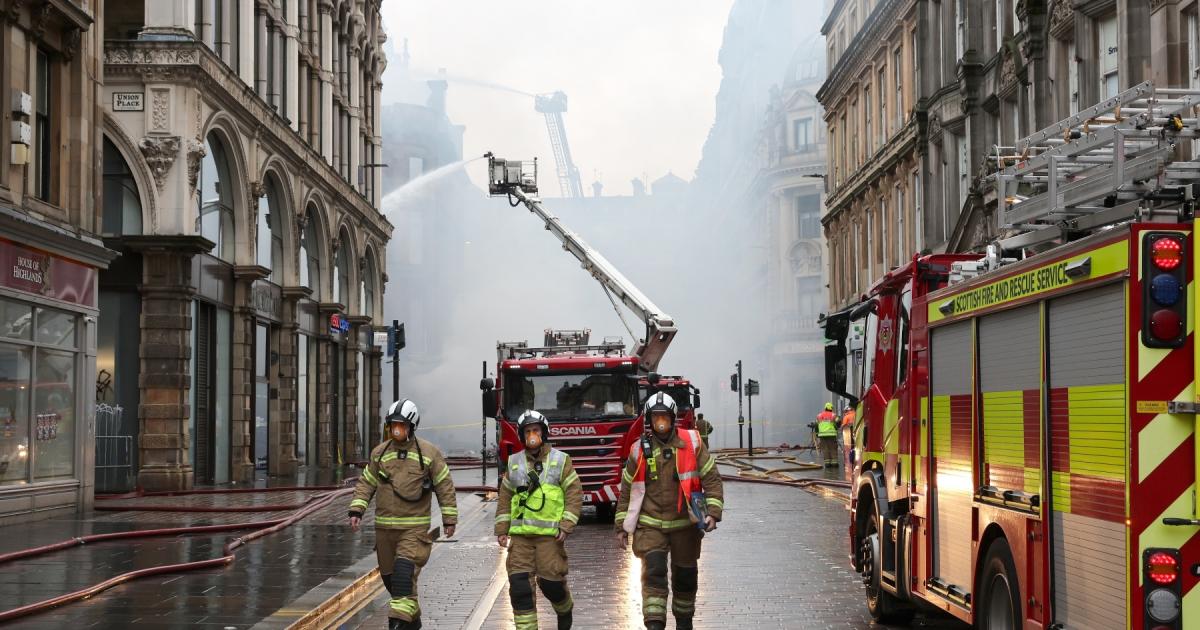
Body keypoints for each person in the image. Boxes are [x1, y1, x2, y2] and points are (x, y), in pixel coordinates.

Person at [615, 392, 724, 630]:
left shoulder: (693, 443)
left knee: (685, 577)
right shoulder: (638, 451)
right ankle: (654, 624)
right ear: (649, 420)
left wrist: (713, 513)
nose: (660, 421)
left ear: (673, 417)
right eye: (656, 417)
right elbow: (626, 490)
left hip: (685, 524)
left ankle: (684, 623)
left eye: (664, 416)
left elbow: (712, 479)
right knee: (653, 573)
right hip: (650, 524)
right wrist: (621, 526)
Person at [347, 399, 458, 630]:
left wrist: (449, 519)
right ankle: (412, 622)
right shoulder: (380, 453)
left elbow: (444, 485)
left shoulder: (428, 454)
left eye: (401, 424)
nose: (396, 429)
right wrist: (357, 509)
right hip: (384, 532)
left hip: (413, 532)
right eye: (393, 424)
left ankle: (397, 625)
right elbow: (366, 483)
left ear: (411, 426)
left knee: (402, 577)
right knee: (394, 584)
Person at [495, 410, 583, 630]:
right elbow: (505, 496)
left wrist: (566, 525)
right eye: (527, 431)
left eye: (535, 430)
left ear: (543, 433)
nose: (531, 435)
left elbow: (574, 493)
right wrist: (502, 529)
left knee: (552, 586)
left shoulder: (561, 460)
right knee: (519, 588)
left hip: (549, 539)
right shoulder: (513, 462)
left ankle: (564, 609)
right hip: (521, 538)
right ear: (522, 435)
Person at [816, 402, 839, 467]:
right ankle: (834, 464)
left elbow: (816, 425)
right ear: (831, 408)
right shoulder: (833, 415)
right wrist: (836, 428)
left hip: (822, 435)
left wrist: (817, 433)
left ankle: (827, 464)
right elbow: (838, 422)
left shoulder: (819, 415)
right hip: (831, 434)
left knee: (825, 449)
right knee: (833, 448)